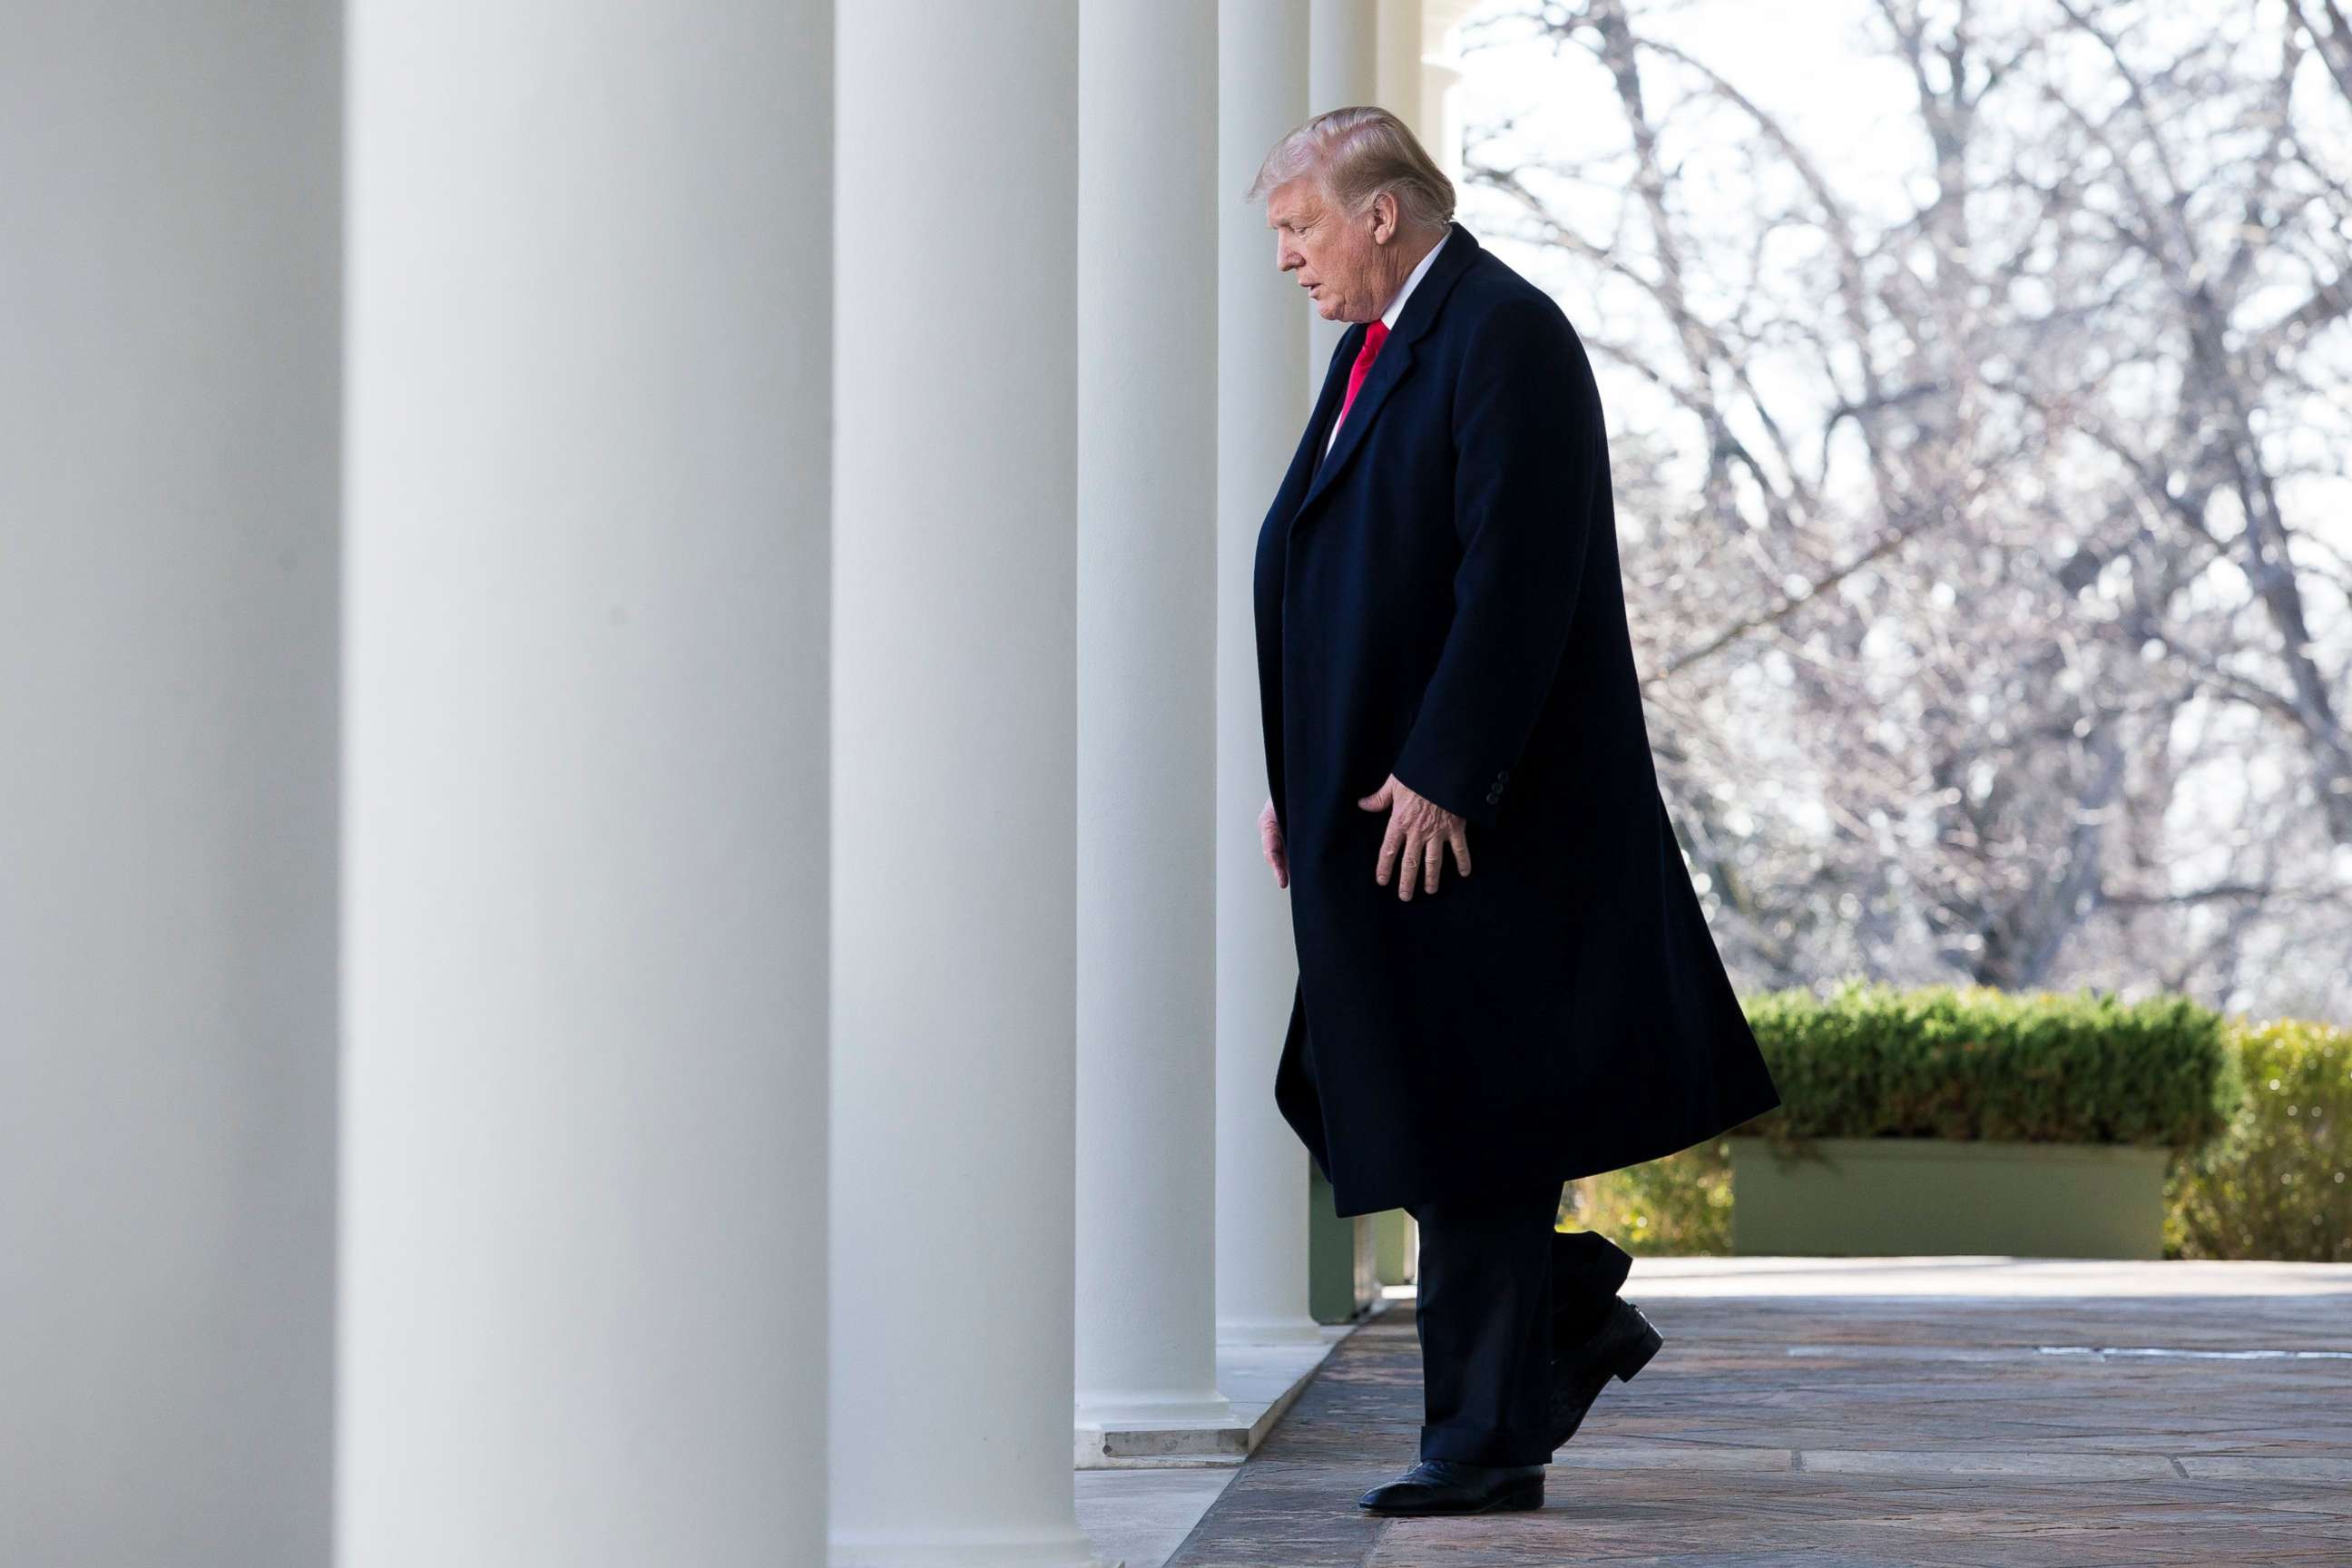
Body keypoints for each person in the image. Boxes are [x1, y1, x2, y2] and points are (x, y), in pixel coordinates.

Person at [1246, 105, 1783, 1515]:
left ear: (1379, 214)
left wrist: (1447, 765)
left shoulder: (1503, 332)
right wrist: (1295, 780)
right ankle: (1568, 1312)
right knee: (1354, 1091)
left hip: (1472, 822)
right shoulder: (1377, 349)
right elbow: (1342, 572)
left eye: (1299, 228)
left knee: (1466, 1124)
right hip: (1373, 811)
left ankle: (1485, 1443)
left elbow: (1521, 574)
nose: (1288, 259)